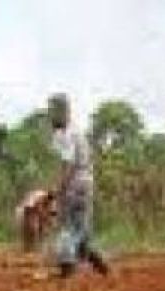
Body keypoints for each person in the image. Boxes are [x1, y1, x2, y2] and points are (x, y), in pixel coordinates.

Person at [47, 93, 109, 277]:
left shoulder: (67, 135)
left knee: (69, 226)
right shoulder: (72, 132)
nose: (51, 116)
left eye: (53, 111)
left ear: (63, 112)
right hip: (84, 183)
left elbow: (68, 165)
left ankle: (66, 266)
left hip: (76, 184)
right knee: (80, 228)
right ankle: (100, 265)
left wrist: (59, 190)